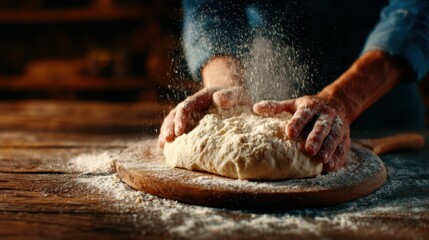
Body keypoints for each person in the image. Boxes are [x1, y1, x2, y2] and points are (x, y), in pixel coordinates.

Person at [158, 0, 429, 172]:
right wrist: (224, 89)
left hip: (380, 94)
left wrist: (343, 100)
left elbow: (417, 9)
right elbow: (211, 7)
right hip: (269, 80)